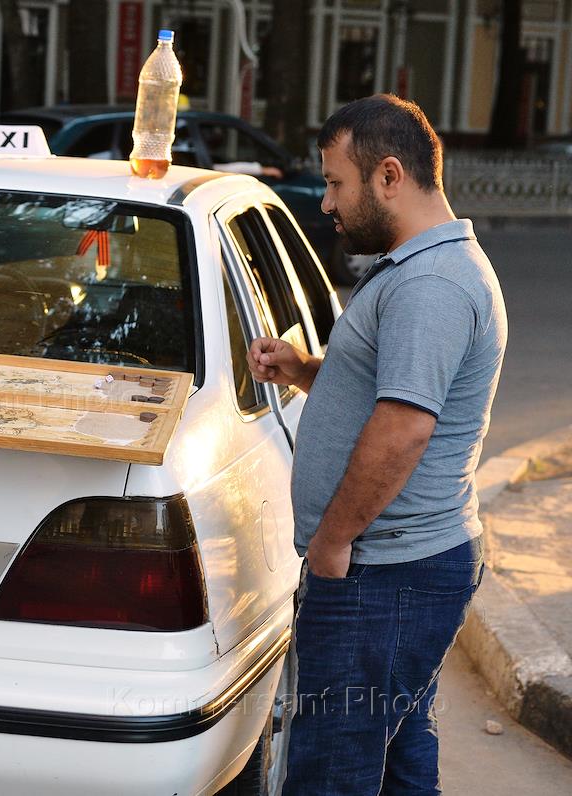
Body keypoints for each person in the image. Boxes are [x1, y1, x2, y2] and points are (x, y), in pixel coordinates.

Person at [247, 94, 506, 794]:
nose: (327, 202)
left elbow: (404, 427)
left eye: (336, 183)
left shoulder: (432, 284)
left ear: (389, 175)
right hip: (398, 572)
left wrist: (332, 545)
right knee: (393, 757)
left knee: (332, 768)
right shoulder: (424, 268)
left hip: (384, 575)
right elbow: (390, 391)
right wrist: (304, 371)